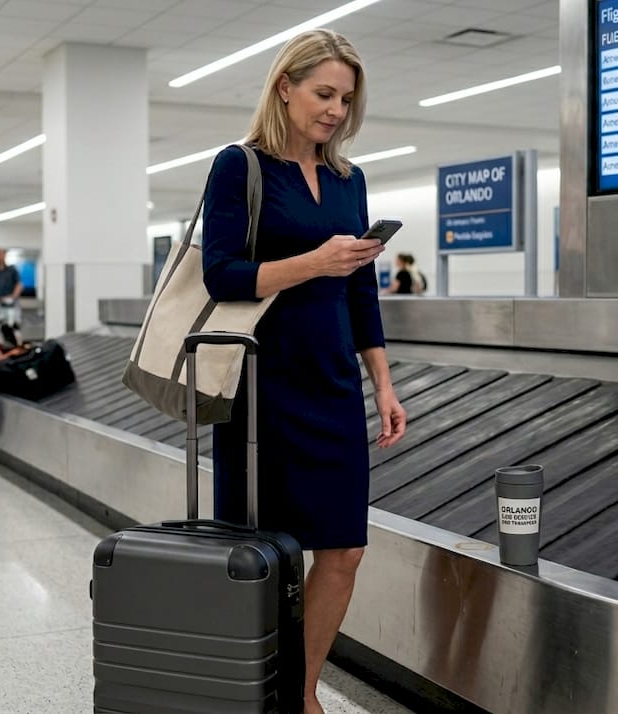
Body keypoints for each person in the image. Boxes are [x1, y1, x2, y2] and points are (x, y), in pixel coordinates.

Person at [200, 29, 407, 714]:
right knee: (263, 553)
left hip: (333, 385)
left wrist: (381, 380)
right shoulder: (240, 167)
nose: (336, 111)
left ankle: (302, 690)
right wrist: (313, 262)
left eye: (346, 99)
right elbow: (221, 273)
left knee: (343, 549)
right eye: (324, 93)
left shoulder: (351, 180)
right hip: (261, 387)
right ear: (284, 86)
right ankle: (248, 685)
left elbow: (361, 292)